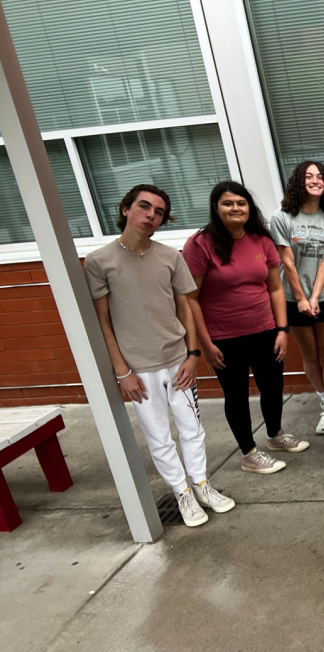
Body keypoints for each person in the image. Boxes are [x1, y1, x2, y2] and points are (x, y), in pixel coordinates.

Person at [85, 185, 233, 527]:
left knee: (192, 428)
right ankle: (182, 493)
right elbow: (102, 320)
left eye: (159, 212)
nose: (151, 215)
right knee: (158, 435)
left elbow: (185, 306)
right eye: (144, 207)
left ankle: (201, 484)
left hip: (178, 361)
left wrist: (193, 355)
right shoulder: (99, 262)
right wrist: (122, 370)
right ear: (126, 209)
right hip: (139, 368)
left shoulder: (170, 256)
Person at [184, 181, 309, 475]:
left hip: (264, 330)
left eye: (241, 203)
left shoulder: (260, 240)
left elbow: (276, 289)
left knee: (273, 386)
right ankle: (248, 453)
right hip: (224, 337)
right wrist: (204, 344)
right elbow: (190, 299)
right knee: (237, 394)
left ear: (249, 207)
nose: (235, 208)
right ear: (216, 208)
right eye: (228, 203)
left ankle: (275, 435)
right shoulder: (200, 244)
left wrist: (282, 330)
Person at [270, 161, 324, 435]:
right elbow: (288, 262)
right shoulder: (282, 218)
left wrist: (316, 296)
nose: (315, 180)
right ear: (299, 182)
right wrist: (302, 299)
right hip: (292, 299)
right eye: (309, 176)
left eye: (320, 176)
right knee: (310, 354)